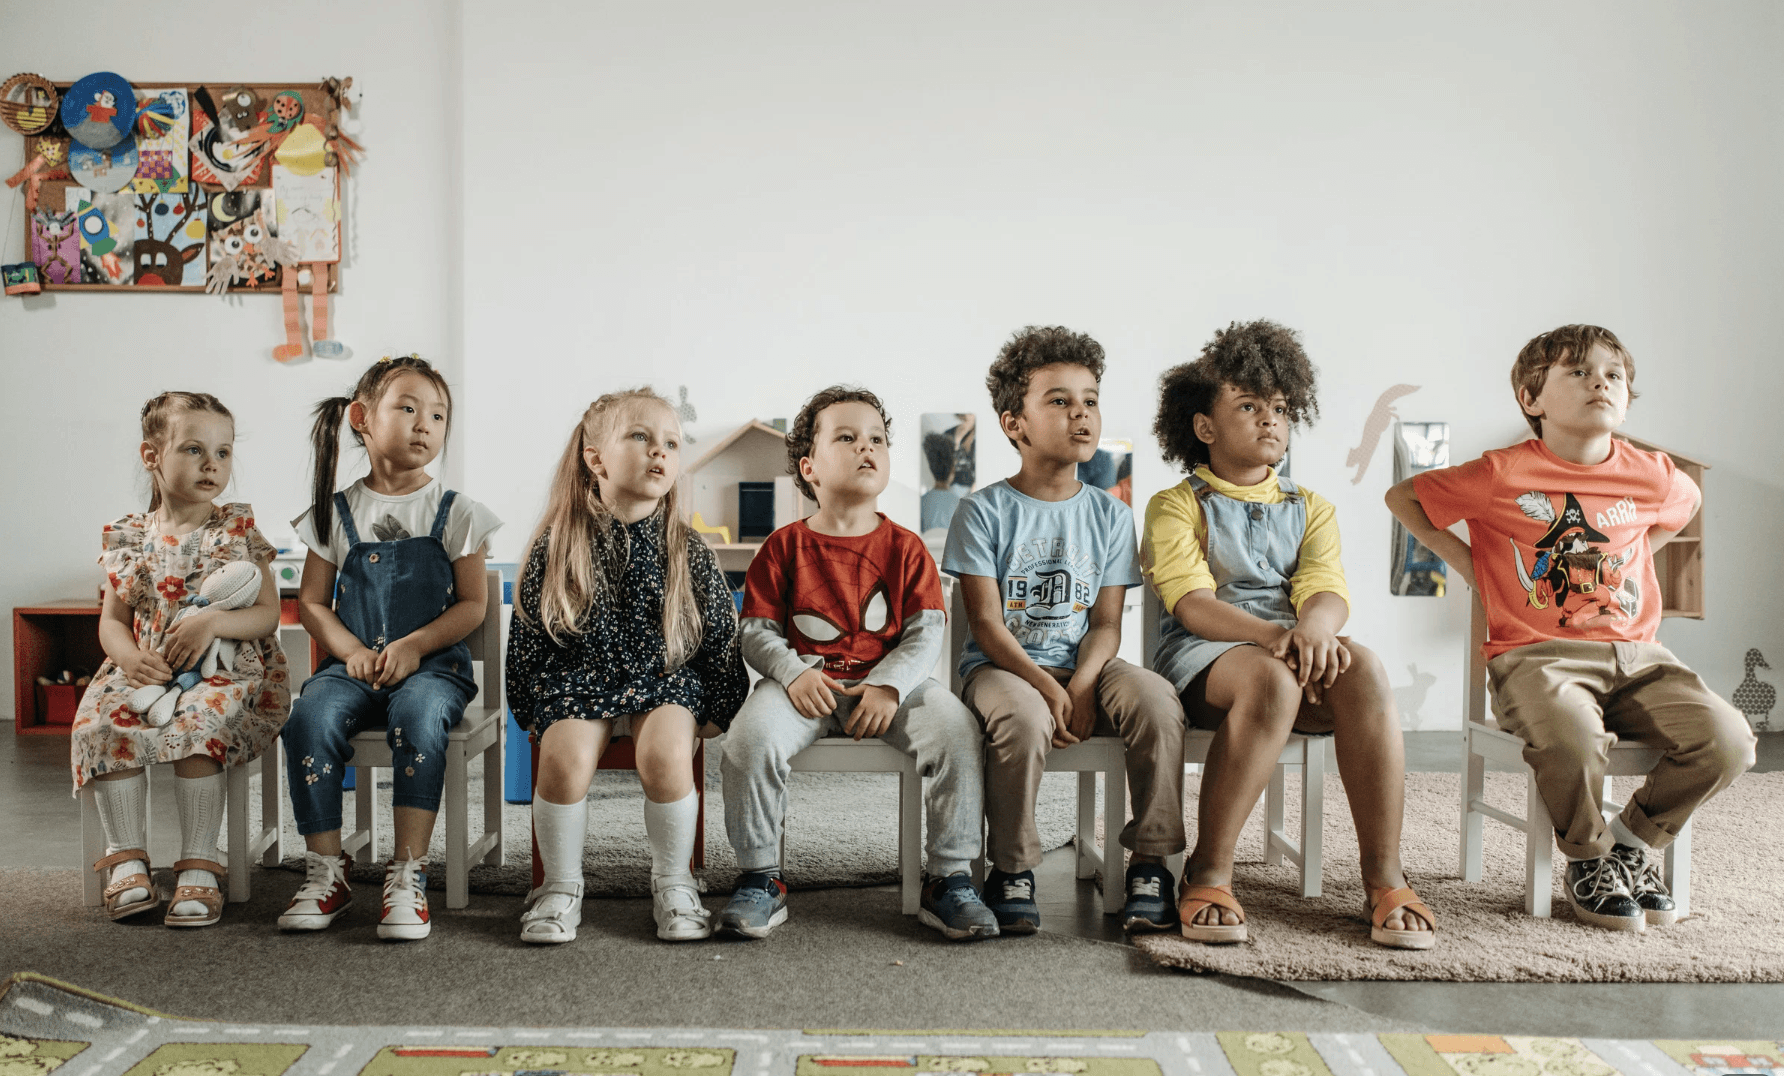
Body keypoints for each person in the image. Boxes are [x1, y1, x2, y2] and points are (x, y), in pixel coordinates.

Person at [1387, 324, 1754, 932]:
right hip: (1538, 657)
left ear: (1628, 397)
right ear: (1532, 399)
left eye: (1613, 374)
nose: (1600, 383)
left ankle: (1632, 845)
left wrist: (1640, 549)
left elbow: (1684, 504)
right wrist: (1472, 564)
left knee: (1731, 740)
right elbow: (1405, 498)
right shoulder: (1501, 474)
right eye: (1578, 373)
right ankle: (1587, 858)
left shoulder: (1654, 474)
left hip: (1641, 656)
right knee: (1573, 741)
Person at [1145, 320, 1432, 948]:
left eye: (1278, 407)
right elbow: (1194, 604)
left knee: (1369, 669)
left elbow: (1326, 590)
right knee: (1273, 680)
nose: (1269, 419)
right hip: (1208, 660)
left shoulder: (1311, 507)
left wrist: (1314, 630)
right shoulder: (1176, 504)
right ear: (1205, 427)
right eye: (1248, 406)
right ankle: (1210, 871)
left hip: (1294, 649)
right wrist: (1278, 638)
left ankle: (1383, 876)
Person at [719, 386, 998, 941]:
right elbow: (755, 632)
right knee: (747, 740)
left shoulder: (907, 547)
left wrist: (889, 685)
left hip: (890, 690)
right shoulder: (782, 547)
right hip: (804, 689)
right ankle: (760, 878)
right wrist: (793, 672)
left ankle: (950, 880)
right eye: (845, 437)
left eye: (876, 439)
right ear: (810, 466)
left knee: (958, 731)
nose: (865, 448)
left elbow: (926, 632)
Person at [943, 325, 1187, 935]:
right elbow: (989, 626)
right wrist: (1045, 687)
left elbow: (1106, 623)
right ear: (1013, 424)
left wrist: (1080, 682)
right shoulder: (983, 510)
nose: (1081, 413)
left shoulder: (1110, 514)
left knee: (1157, 701)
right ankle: (1013, 868)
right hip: (1003, 669)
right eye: (1058, 400)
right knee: (1023, 718)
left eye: (1090, 399)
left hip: (1086, 666)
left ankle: (1152, 863)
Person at [507, 388, 747, 944]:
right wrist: (531, 709)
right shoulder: (556, 544)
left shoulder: (690, 548)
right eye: (640, 437)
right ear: (596, 459)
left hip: (665, 681)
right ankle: (559, 888)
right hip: (579, 681)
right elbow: (528, 635)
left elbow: (720, 639)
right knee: (562, 760)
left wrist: (715, 712)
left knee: (664, 753)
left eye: (671, 443)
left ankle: (674, 882)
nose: (659, 452)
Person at [279, 355, 500, 941]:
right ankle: (327, 868)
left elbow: (473, 605)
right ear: (361, 419)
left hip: (432, 670)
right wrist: (349, 650)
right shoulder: (333, 515)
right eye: (406, 408)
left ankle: (408, 870)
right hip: (351, 669)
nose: (424, 423)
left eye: (437, 414)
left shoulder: (459, 513)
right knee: (308, 717)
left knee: (419, 717)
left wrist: (414, 645)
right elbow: (313, 603)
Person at [74, 392, 288, 928]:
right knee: (104, 719)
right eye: (193, 449)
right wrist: (127, 656)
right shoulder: (130, 537)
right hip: (145, 665)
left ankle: (199, 859)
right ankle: (126, 856)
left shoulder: (235, 531)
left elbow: (267, 613)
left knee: (199, 721)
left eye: (223, 452)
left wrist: (213, 620)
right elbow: (112, 620)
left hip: (224, 669)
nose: (212, 464)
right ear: (152, 457)